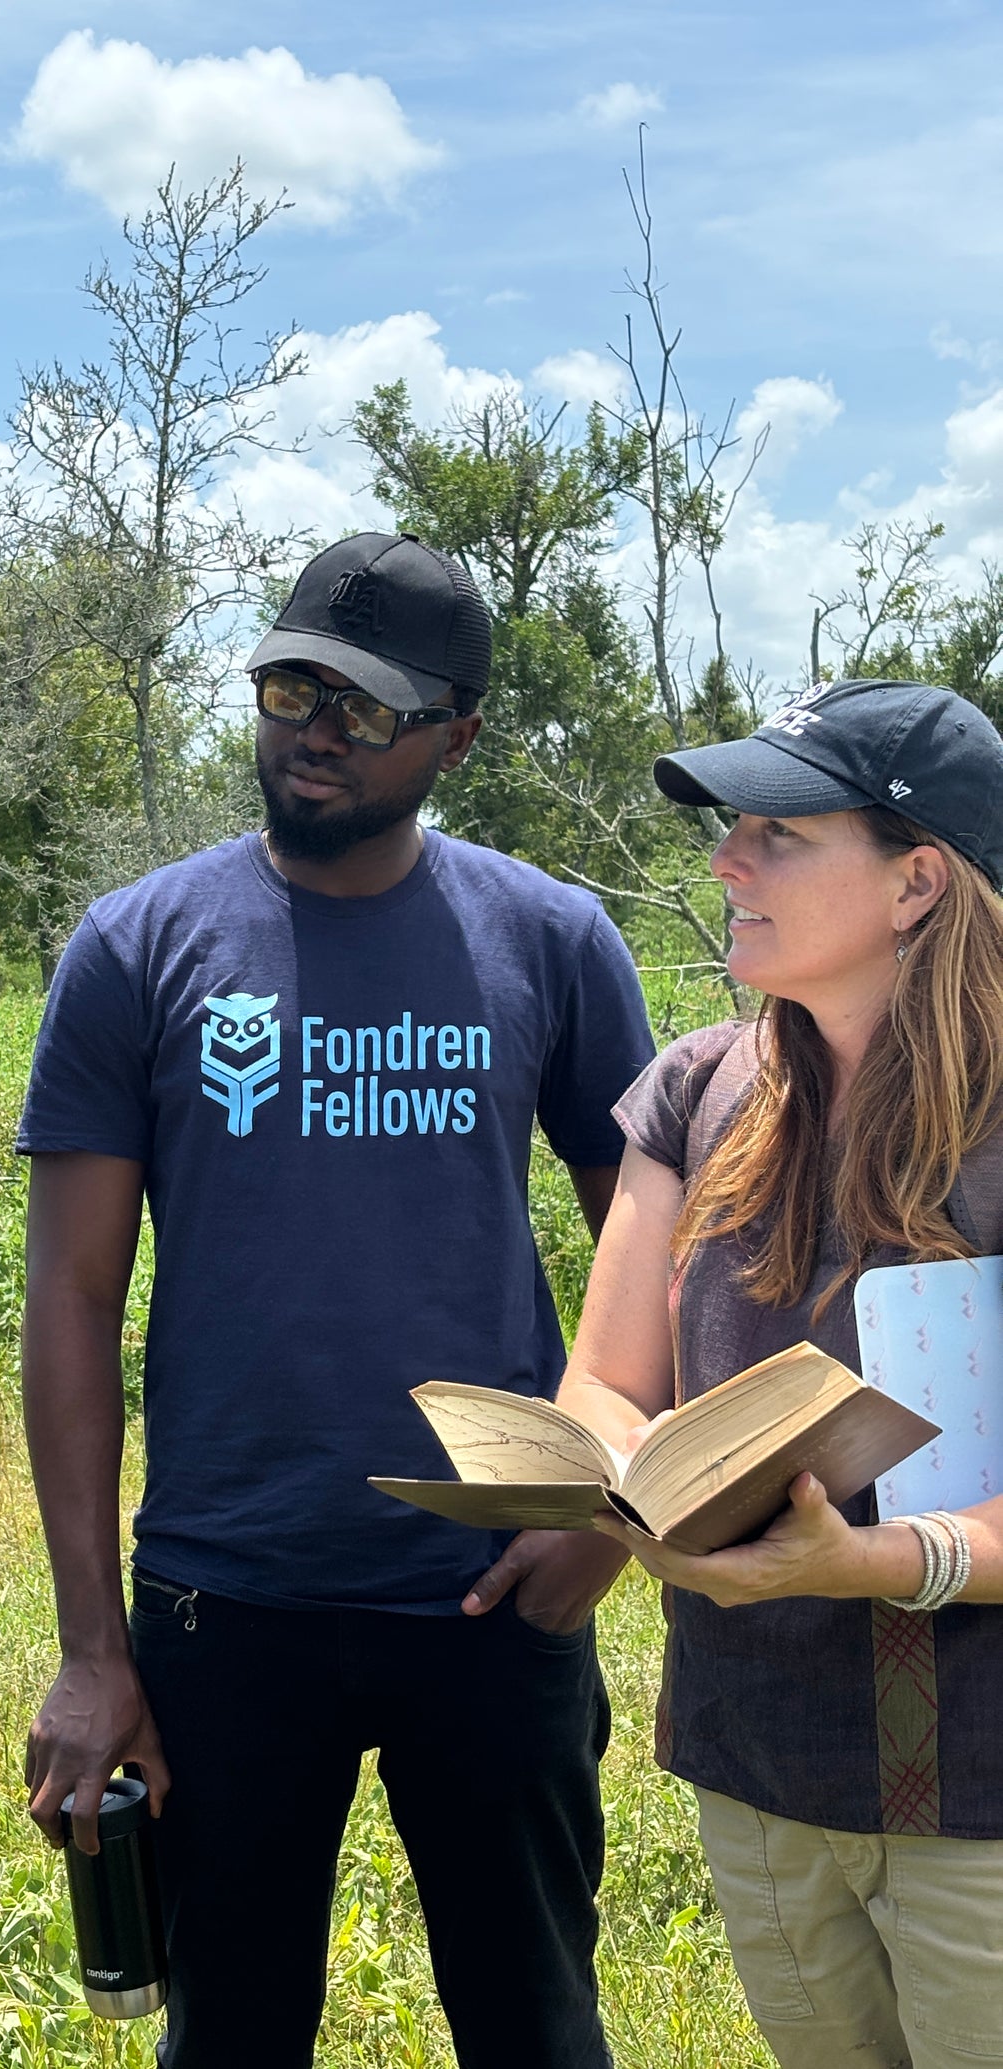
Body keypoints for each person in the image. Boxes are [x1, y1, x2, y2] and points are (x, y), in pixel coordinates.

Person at [19, 529, 656, 2068]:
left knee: (537, 2026)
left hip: (495, 1593)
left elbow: (669, 1262)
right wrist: (96, 1647)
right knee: (230, 2036)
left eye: (363, 707)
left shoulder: (553, 943)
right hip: (225, 1601)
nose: (314, 726)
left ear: (458, 733)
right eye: (291, 684)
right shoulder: (140, 947)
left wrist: (612, 1509)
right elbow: (68, 1312)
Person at [542, 678, 1003, 2069]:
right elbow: (603, 1384)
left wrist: (859, 1562)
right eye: (731, 828)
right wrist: (646, 1485)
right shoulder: (693, 1089)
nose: (728, 862)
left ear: (918, 877)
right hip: (762, 1771)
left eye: (779, 833)